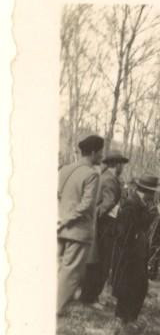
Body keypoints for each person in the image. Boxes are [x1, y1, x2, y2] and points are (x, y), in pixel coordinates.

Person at [57, 134, 104, 315]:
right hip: (78, 230)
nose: (101, 156)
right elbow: (86, 204)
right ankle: (55, 309)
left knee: (60, 268)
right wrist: (69, 218)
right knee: (71, 272)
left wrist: (61, 219)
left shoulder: (65, 169)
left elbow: (57, 195)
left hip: (61, 227)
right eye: (100, 153)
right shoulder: (92, 174)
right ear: (93, 153)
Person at [80, 150, 129, 307]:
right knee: (102, 263)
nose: (122, 168)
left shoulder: (105, 176)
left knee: (97, 262)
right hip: (106, 228)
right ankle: (90, 297)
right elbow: (108, 202)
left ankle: (89, 295)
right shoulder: (110, 180)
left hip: (102, 226)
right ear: (117, 164)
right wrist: (97, 218)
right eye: (122, 164)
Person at [111, 175, 158, 327]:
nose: (153, 197)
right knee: (129, 285)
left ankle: (130, 317)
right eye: (152, 193)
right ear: (147, 192)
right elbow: (125, 232)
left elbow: (140, 225)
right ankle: (123, 317)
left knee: (139, 286)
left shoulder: (140, 203)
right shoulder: (131, 204)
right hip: (130, 253)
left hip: (138, 251)